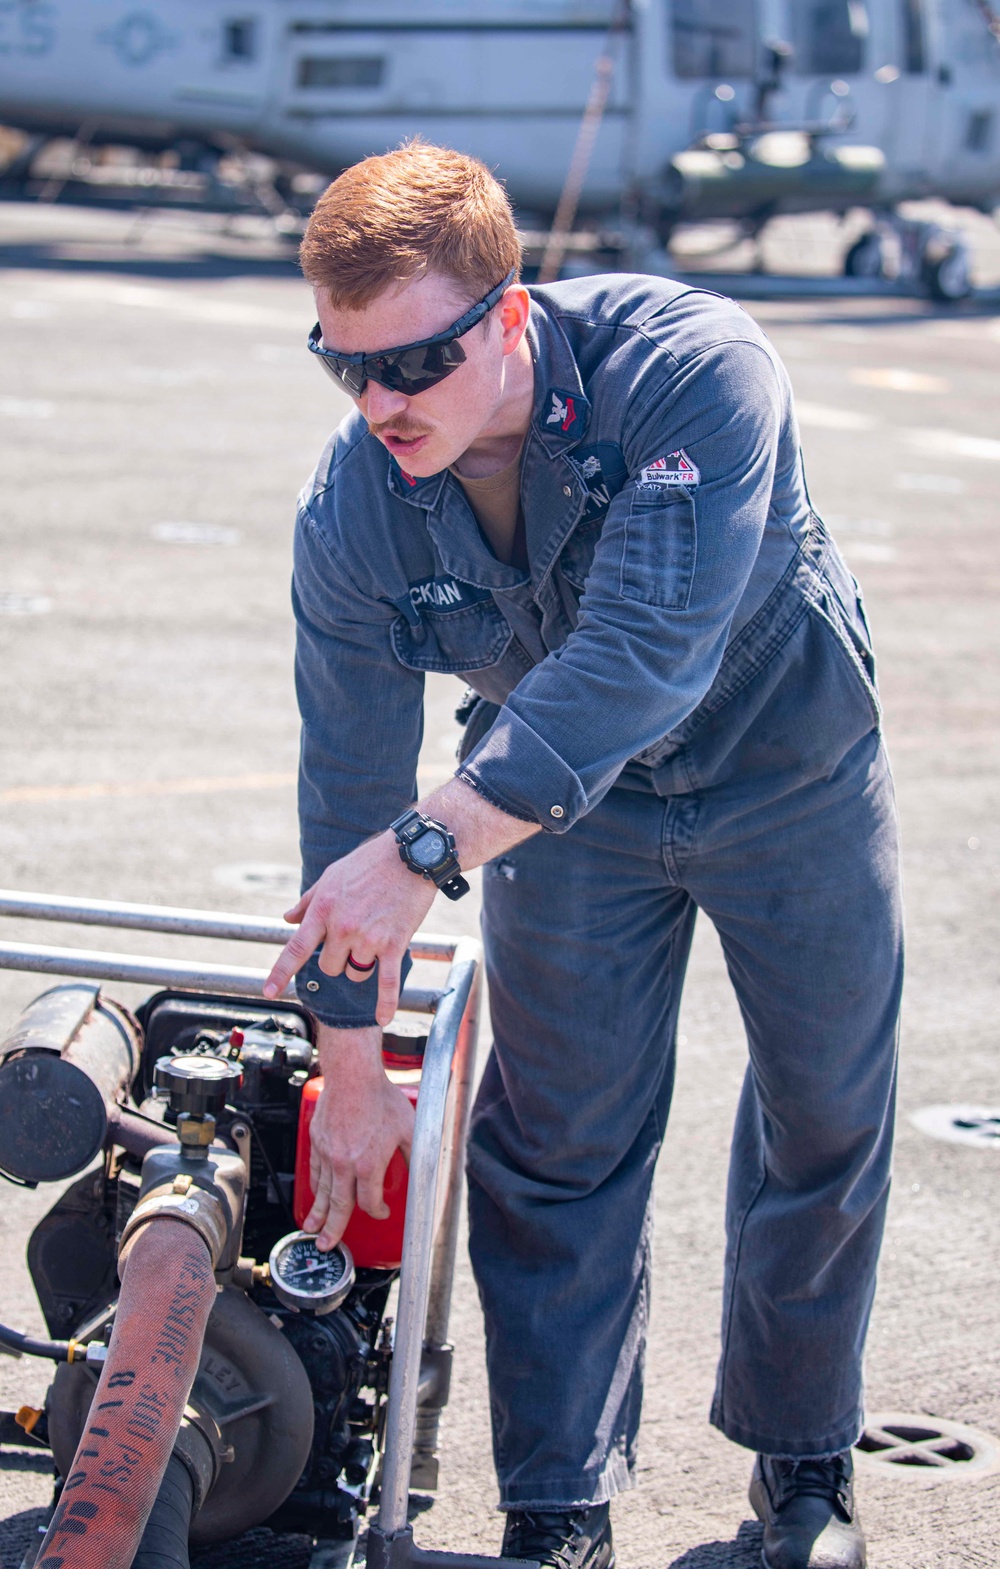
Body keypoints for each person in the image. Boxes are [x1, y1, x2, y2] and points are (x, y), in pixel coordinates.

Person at [263, 140, 902, 1569]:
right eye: (344, 367)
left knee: (825, 1105)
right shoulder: (355, 507)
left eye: (414, 364)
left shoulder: (694, 371)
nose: (380, 405)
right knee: (555, 1141)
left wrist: (425, 849)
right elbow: (343, 790)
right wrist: (353, 1075)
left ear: (508, 316)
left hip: (782, 762)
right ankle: (559, 1509)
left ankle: (805, 1471)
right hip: (559, 809)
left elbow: (638, 658)